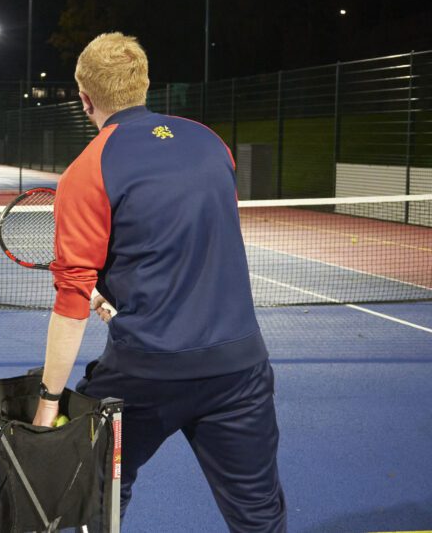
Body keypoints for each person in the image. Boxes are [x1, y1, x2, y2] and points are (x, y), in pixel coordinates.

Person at [33, 32, 286, 532]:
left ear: (85, 98)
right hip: (238, 369)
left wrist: (48, 403)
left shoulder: (86, 172)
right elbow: (191, 239)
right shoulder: (211, 143)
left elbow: (71, 301)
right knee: (260, 518)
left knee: (91, 494)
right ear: (144, 85)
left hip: (143, 375)